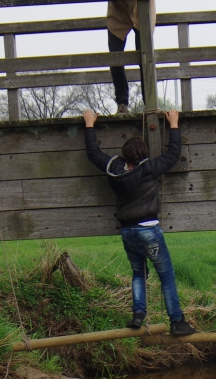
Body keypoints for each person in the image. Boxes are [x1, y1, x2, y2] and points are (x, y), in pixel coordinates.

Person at [82, 108, 196, 337]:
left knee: (138, 273)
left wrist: (89, 124)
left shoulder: (114, 169)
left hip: (128, 232)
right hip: (148, 230)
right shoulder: (149, 169)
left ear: (124, 155)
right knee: (166, 274)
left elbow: (94, 154)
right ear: (143, 155)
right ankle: (177, 321)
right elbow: (173, 154)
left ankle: (138, 315)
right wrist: (174, 124)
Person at [88, 0, 163, 114]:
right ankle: (122, 104)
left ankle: (150, 104)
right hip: (118, 13)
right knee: (115, 58)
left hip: (140, 10)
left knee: (145, 57)